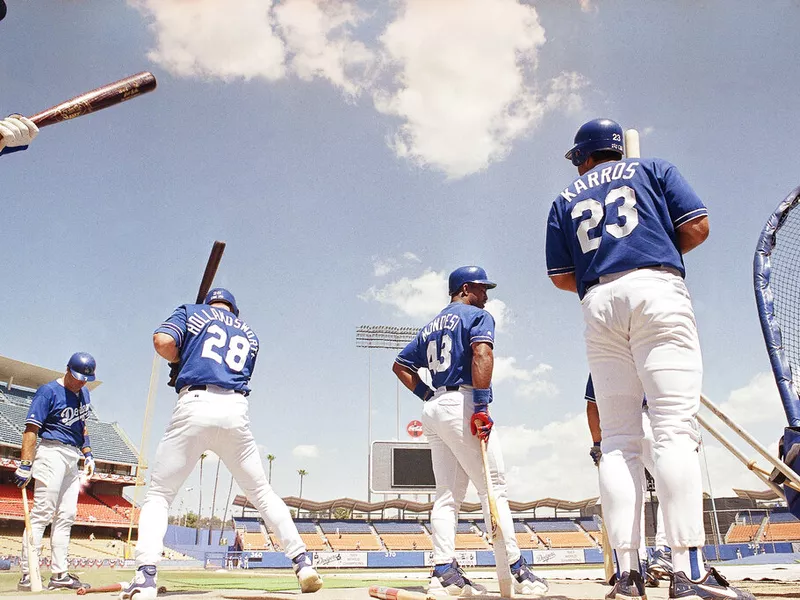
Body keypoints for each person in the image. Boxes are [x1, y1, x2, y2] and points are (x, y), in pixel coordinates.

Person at [546, 118, 753, 600]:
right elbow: (697, 226)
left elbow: (560, 277)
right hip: (656, 288)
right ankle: (689, 571)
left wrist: (608, 266)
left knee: (618, 442)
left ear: (584, 156)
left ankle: (627, 575)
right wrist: (652, 245)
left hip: (597, 300)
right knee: (675, 429)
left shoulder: (565, 197)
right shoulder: (654, 168)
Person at [121, 288, 322, 599]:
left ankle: (146, 576)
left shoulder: (190, 310)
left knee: (160, 494)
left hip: (196, 403)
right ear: (234, 310)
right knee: (262, 493)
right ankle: (302, 563)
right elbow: (227, 369)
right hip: (235, 410)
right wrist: (184, 362)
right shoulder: (250, 333)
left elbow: (163, 342)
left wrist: (178, 361)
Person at [393, 266, 548, 597]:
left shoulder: (429, 325)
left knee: (447, 495)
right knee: (493, 488)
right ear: (465, 288)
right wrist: (480, 407)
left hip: (435, 407)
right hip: (462, 402)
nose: (486, 295)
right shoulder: (477, 316)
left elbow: (400, 366)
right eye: (482, 288)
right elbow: (482, 352)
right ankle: (518, 572)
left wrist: (427, 394)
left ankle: (443, 572)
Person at [14, 352, 96, 591]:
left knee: (67, 516)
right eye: (78, 376)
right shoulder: (48, 391)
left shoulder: (84, 393)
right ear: (67, 369)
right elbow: (31, 428)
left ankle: (59, 574)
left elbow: (82, 425)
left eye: (86, 379)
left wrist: (88, 452)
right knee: (42, 513)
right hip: (51, 451)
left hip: (73, 456)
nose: (81, 382)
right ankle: (28, 574)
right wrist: (25, 463)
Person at [585, 374, 669, 586]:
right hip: (652, 419)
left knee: (631, 491)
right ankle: (664, 550)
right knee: (669, 483)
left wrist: (597, 442)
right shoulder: (647, 348)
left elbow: (592, 407)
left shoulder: (603, 352)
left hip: (617, 426)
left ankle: (635, 563)